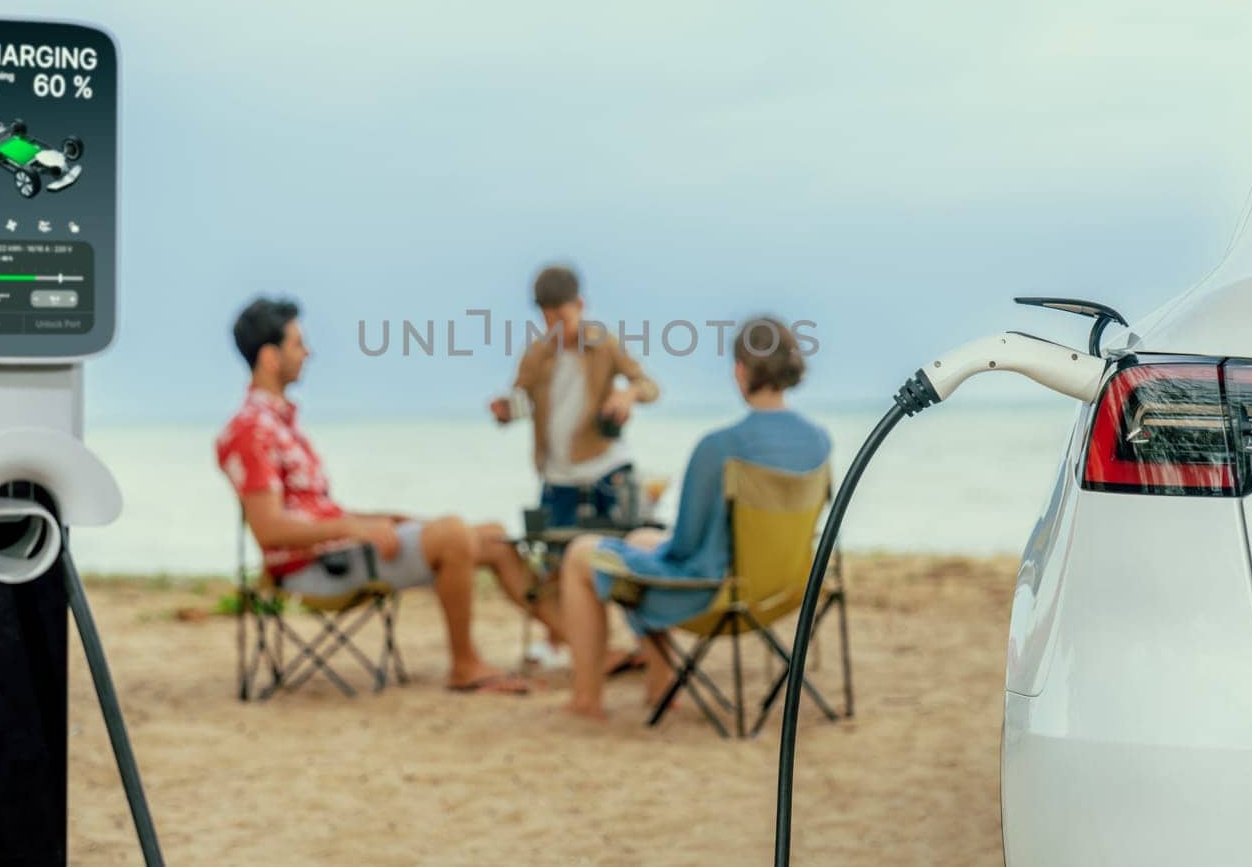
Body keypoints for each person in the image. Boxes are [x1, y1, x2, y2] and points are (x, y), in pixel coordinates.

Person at [217, 296, 555, 694]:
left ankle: (577, 642)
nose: (308, 353)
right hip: (318, 570)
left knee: (494, 537)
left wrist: (384, 520)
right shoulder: (251, 429)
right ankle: (465, 665)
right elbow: (270, 530)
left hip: (338, 550)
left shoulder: (280, 423)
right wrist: (356, 528)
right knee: (452, 534)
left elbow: (315, 510)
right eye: (297, 344)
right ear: (270, 357)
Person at [556, 316, 830, 718]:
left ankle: (586, 700)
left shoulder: (720, 447)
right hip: (788, 589)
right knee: (638, 541)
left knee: (582, 553)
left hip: (715, 597)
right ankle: (659, 687)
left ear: (741, 370)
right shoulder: (819, 441)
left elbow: (684, 546)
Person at [488, 264, 661, 668]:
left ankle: (645, 644)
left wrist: (627, 395)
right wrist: (502, 411)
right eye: (547, 319)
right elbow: (520, 403)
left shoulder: (603, 344)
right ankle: (559, 641)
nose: (555, 327)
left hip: (606, 469)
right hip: (556, 474)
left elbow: (650, 387)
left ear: (579, 306)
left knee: (624, 560)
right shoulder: (537, 355)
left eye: (562, 317)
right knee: (551, 565)